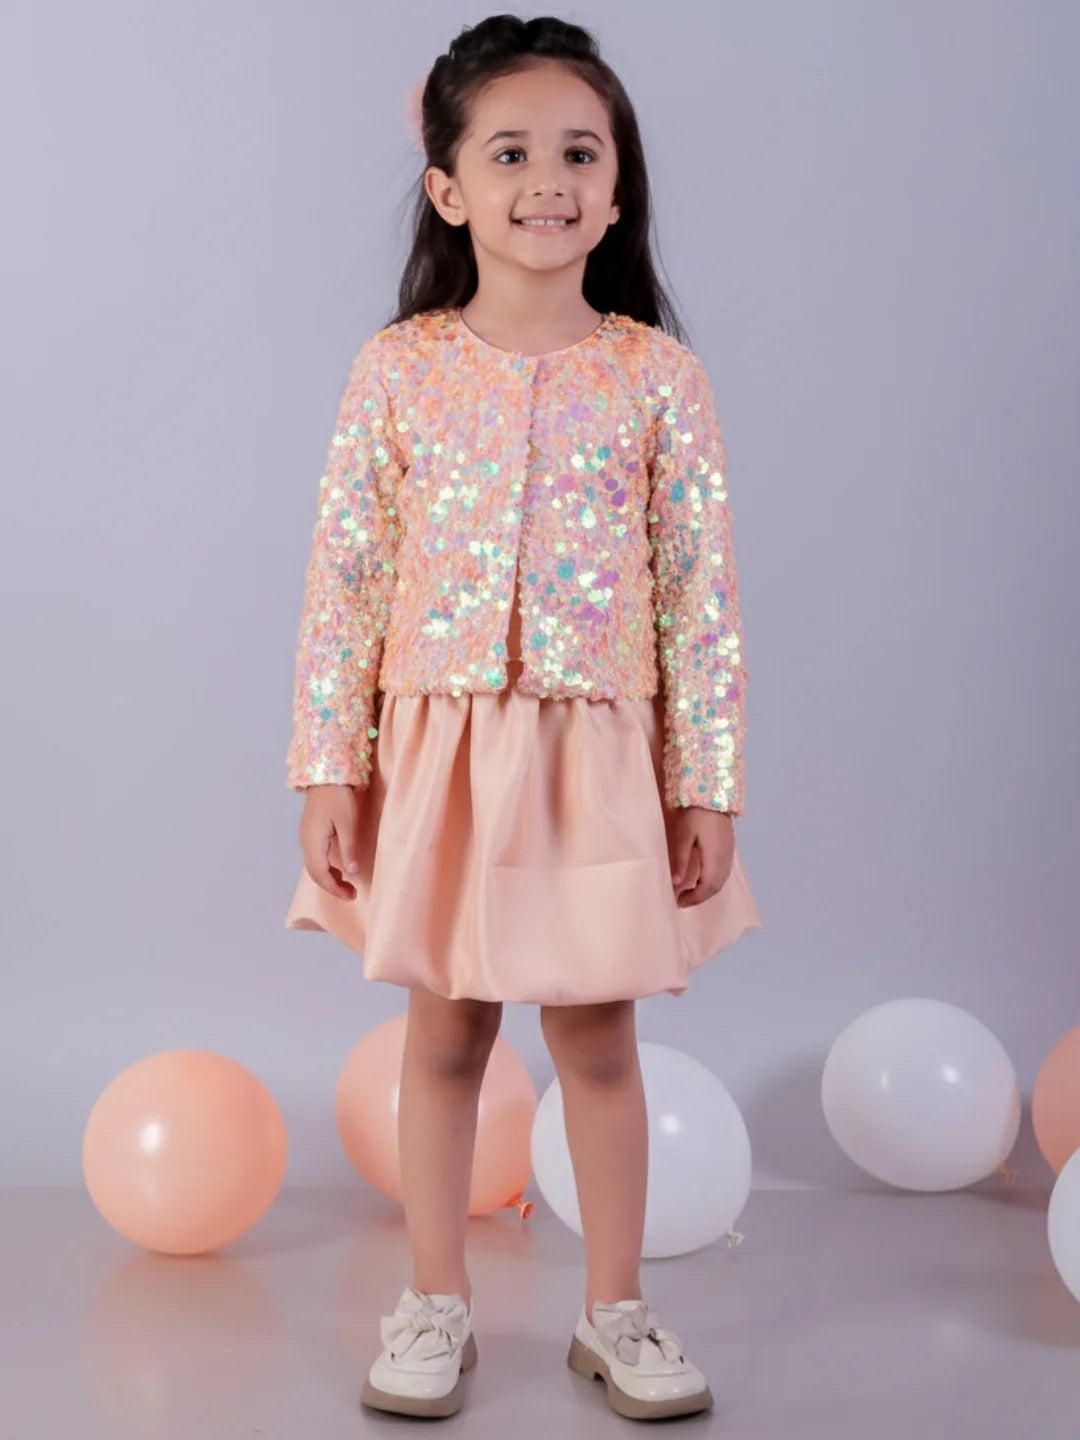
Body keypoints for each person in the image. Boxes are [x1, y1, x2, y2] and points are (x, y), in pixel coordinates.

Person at [284, 12, 762, 1423]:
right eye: (510, 153)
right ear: (449, 188)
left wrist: (705, 781)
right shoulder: (399, 369)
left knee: (598, 1042)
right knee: (445, 1036)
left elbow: (702, 594)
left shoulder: (659, 378)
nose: (547, 179)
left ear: (616, 191)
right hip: (441, 753)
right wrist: (330, 764)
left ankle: (616, 1310)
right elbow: (345, 577)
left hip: (595, 755)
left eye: (579, 153)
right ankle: (434, 1304)